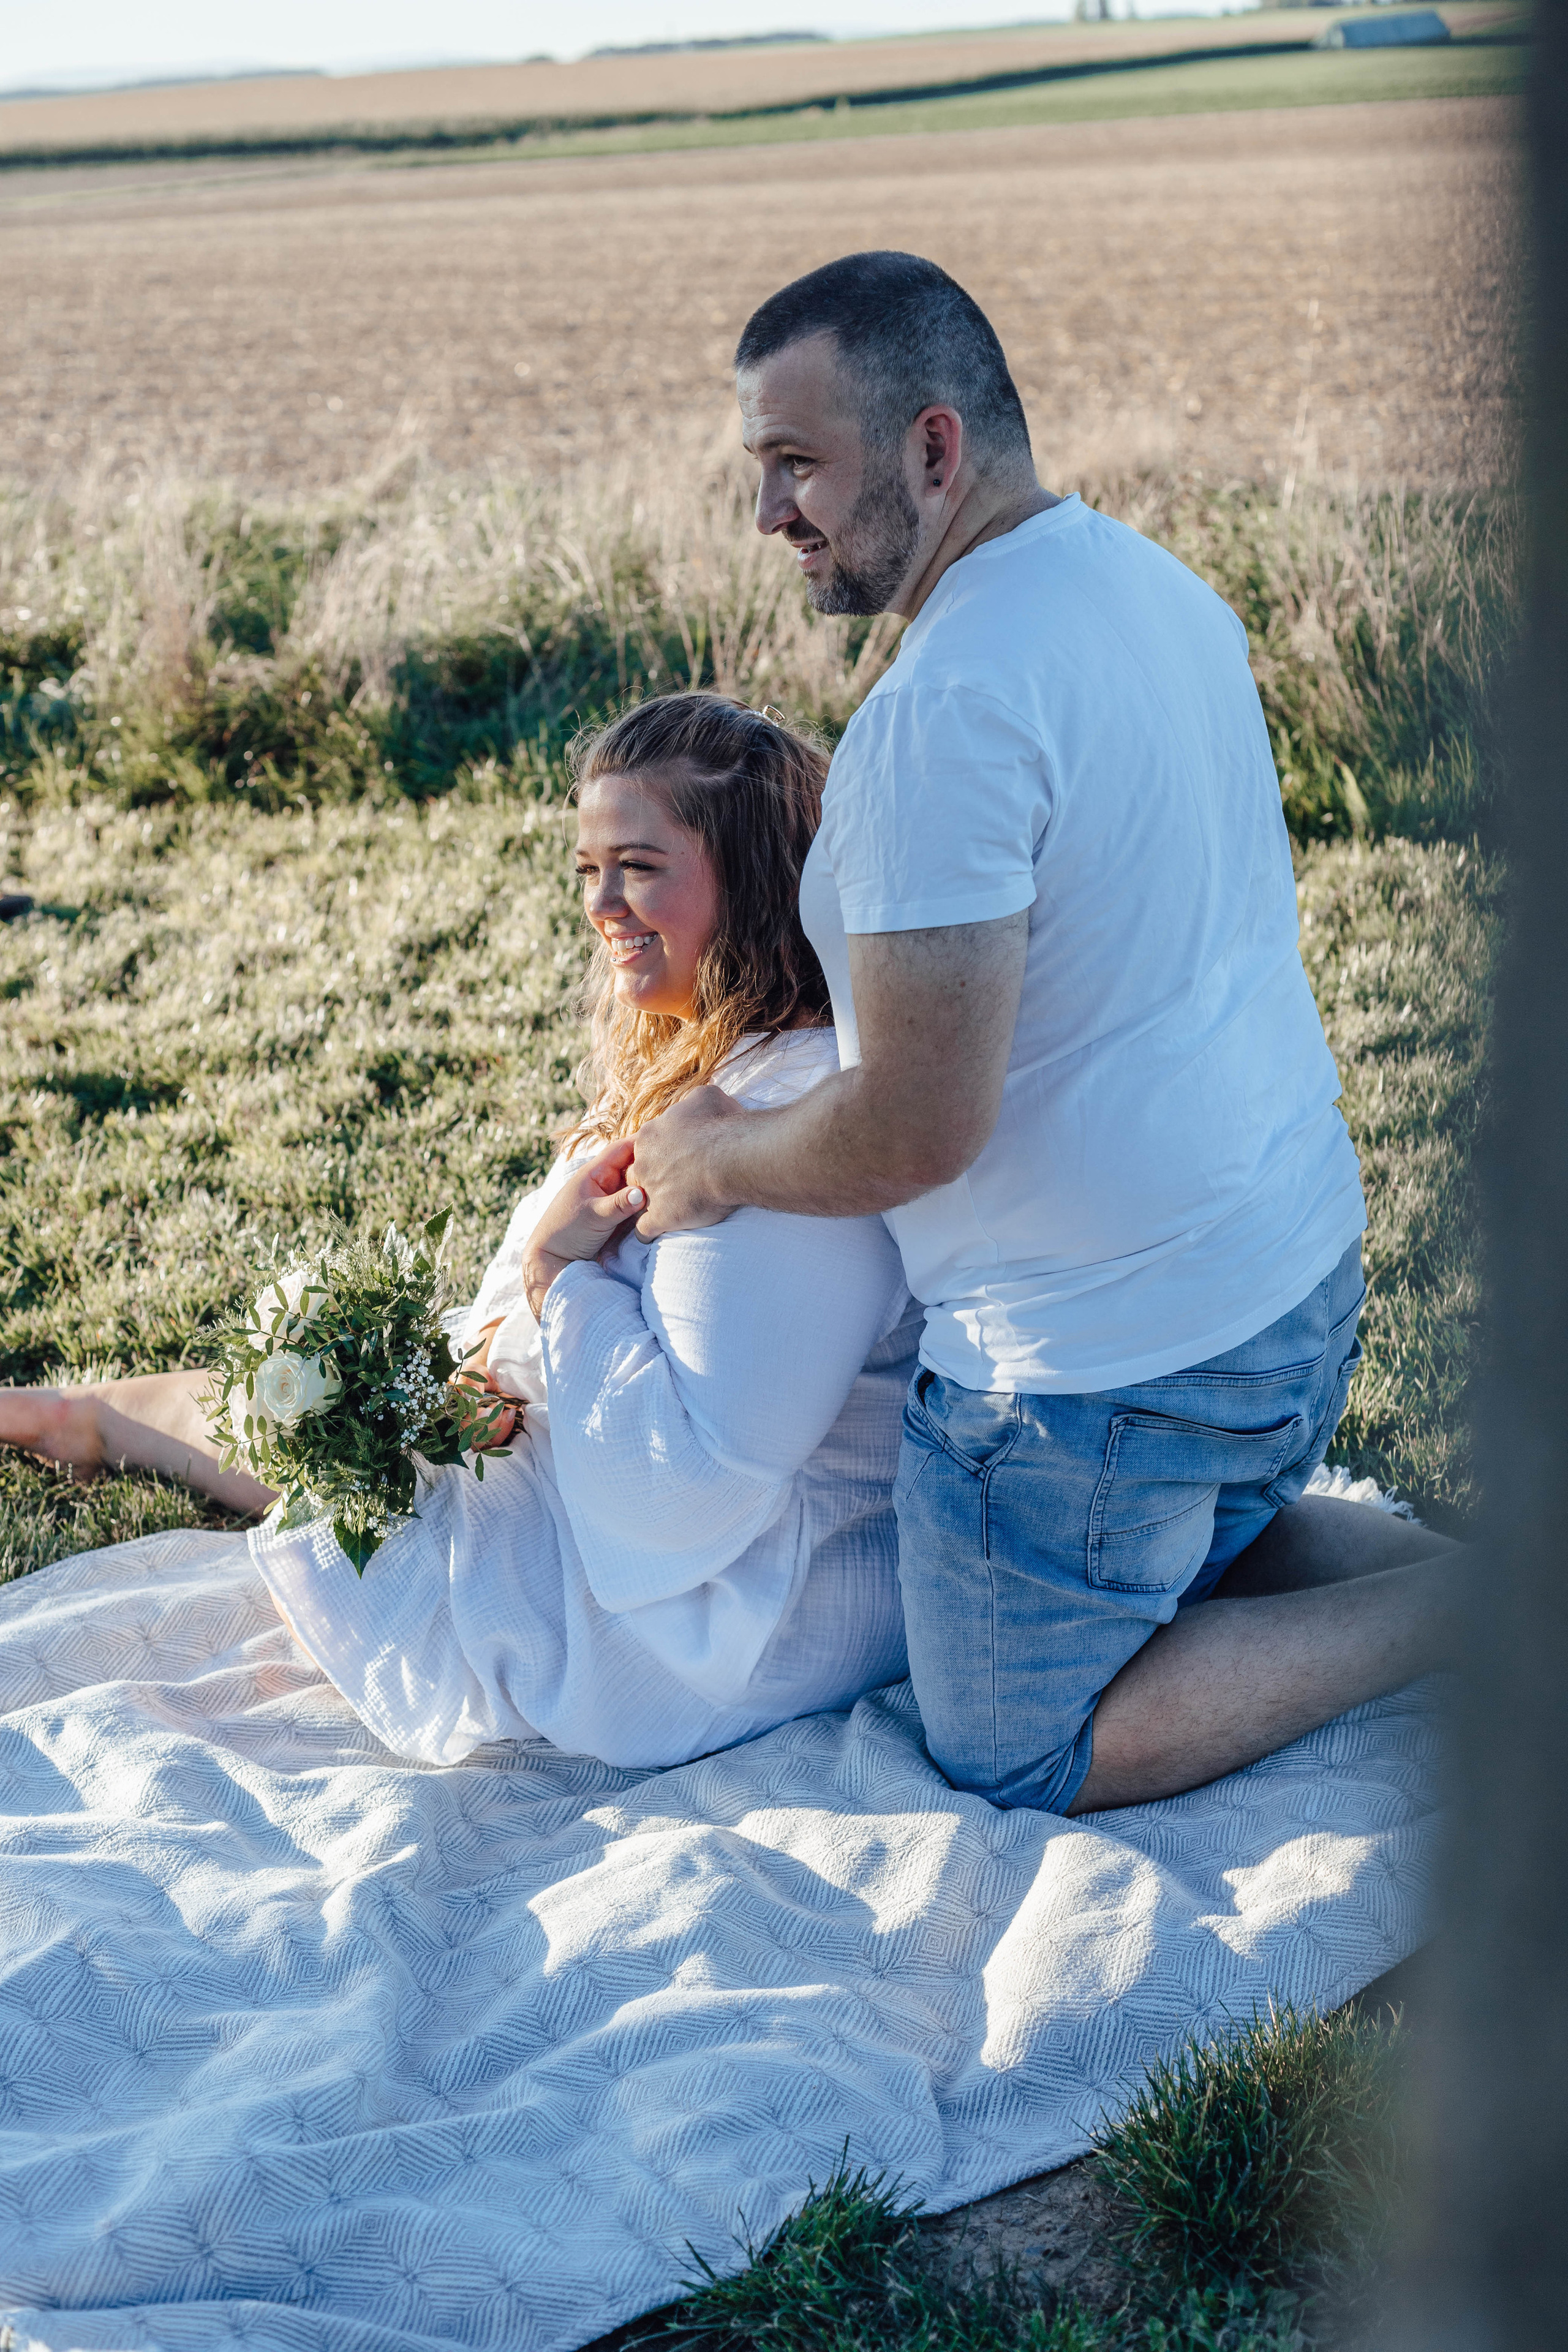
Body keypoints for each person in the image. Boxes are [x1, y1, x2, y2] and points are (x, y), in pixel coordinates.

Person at [619, 252, 1468, 1816]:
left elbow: (912, 1128)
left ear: (933, 450)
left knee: (1011, 1747)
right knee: (1195, 1542)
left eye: (795, 466)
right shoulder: (1156, 588)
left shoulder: (945, 710)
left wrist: (717, 1160)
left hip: (1109, 1380)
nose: (768, 517)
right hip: (1291, 1293)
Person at [0, 694, 919, 1771]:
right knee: (348, 1419)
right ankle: (86, 1416)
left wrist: (553, 1276)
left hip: (706, 1627)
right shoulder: (731, 1066)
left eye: (639, 865)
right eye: (588, 870)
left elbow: (679, 1497)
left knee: (370, 1488)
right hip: (650, 1527)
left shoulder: (773, 1131)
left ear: (760, 878)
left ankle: (89, 1419)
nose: (602, 905)